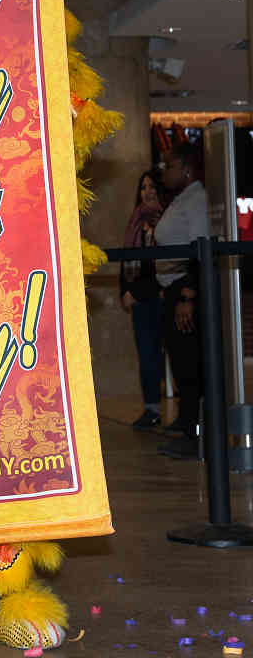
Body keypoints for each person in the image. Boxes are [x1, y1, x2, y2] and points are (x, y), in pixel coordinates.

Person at [154, 142, 209, 460]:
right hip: (174, 290)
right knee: (181, 362)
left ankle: (193, 434)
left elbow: (199, 251)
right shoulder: (182, 199)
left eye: (169, 165)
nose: (164, 171)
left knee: (190, 365)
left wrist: (187, 295)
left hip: (186, 292)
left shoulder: (196, 199)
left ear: (186, 169)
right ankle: (187, 425)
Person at [123, 170, 166, 431]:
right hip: (141, 302)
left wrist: (135, 292)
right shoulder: (135, 222)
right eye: (143, 187)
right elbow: (127, 259)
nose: (146, 192)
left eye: (151, 187)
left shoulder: (167, 219)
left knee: (166, 355)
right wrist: (125, 291)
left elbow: (159, 267)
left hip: (159, 296)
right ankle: (151, 409)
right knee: (147, 355)